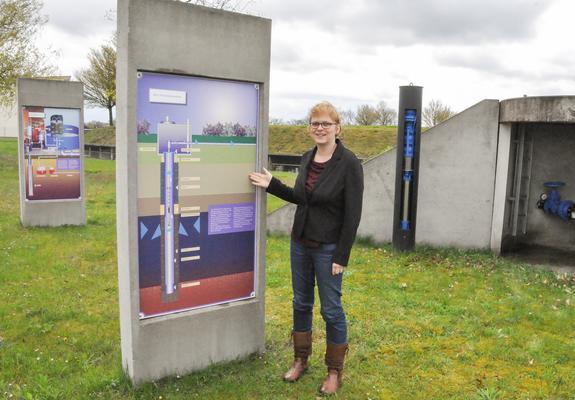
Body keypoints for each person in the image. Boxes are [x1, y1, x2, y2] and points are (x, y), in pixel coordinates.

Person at [249, 101, 364, 395]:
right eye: (315, 123)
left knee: (331, 309)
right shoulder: (306, 158)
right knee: (301, 303)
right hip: (299, 243)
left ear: (338, 128)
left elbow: (352, 214)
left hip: (328, 248)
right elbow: (301, 196)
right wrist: (271, 183)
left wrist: (342, 255)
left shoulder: (349, 163)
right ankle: (301, 360)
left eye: (326, 123)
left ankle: (334, 371)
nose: (320, 128)